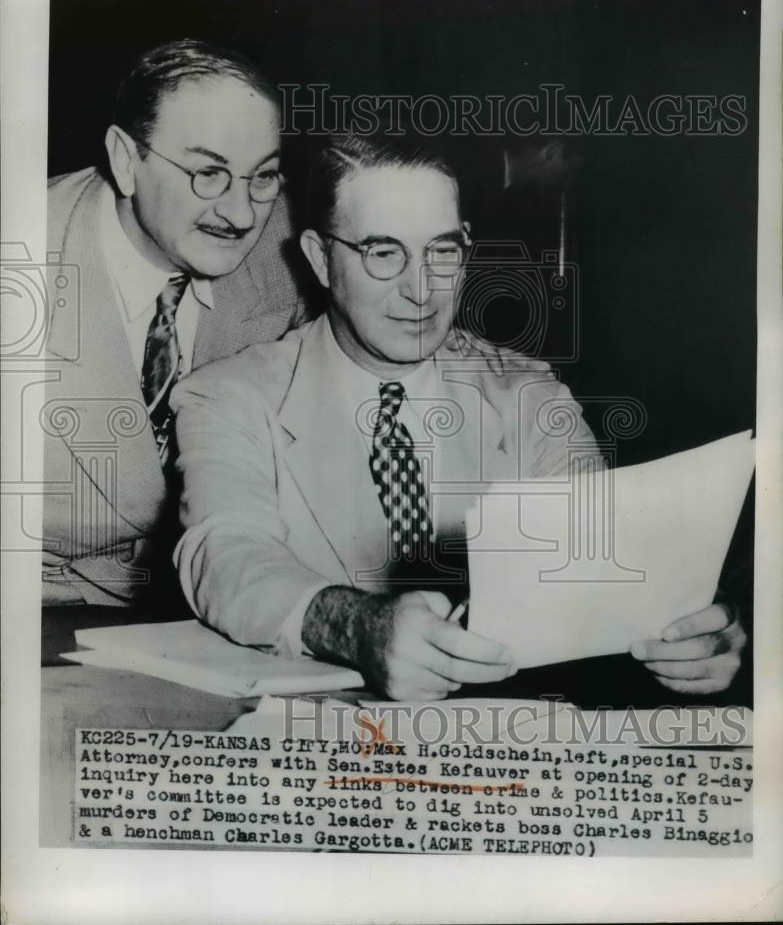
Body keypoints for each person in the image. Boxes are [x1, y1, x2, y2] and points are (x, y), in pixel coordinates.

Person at [173, 134, 746, 702]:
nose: (420, 289)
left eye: (441, 250)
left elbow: (607, 559)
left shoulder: (528, 395)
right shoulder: (229, 396)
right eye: (383, 251)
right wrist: (354, 625)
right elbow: (224, 555)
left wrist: (690, 622)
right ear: (321, 259)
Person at [42, 39, 313, 608]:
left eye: (262, 177)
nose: (241, 215)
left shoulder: (289, 252)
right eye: (208, 173)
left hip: (211, 606)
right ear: (125, 159)